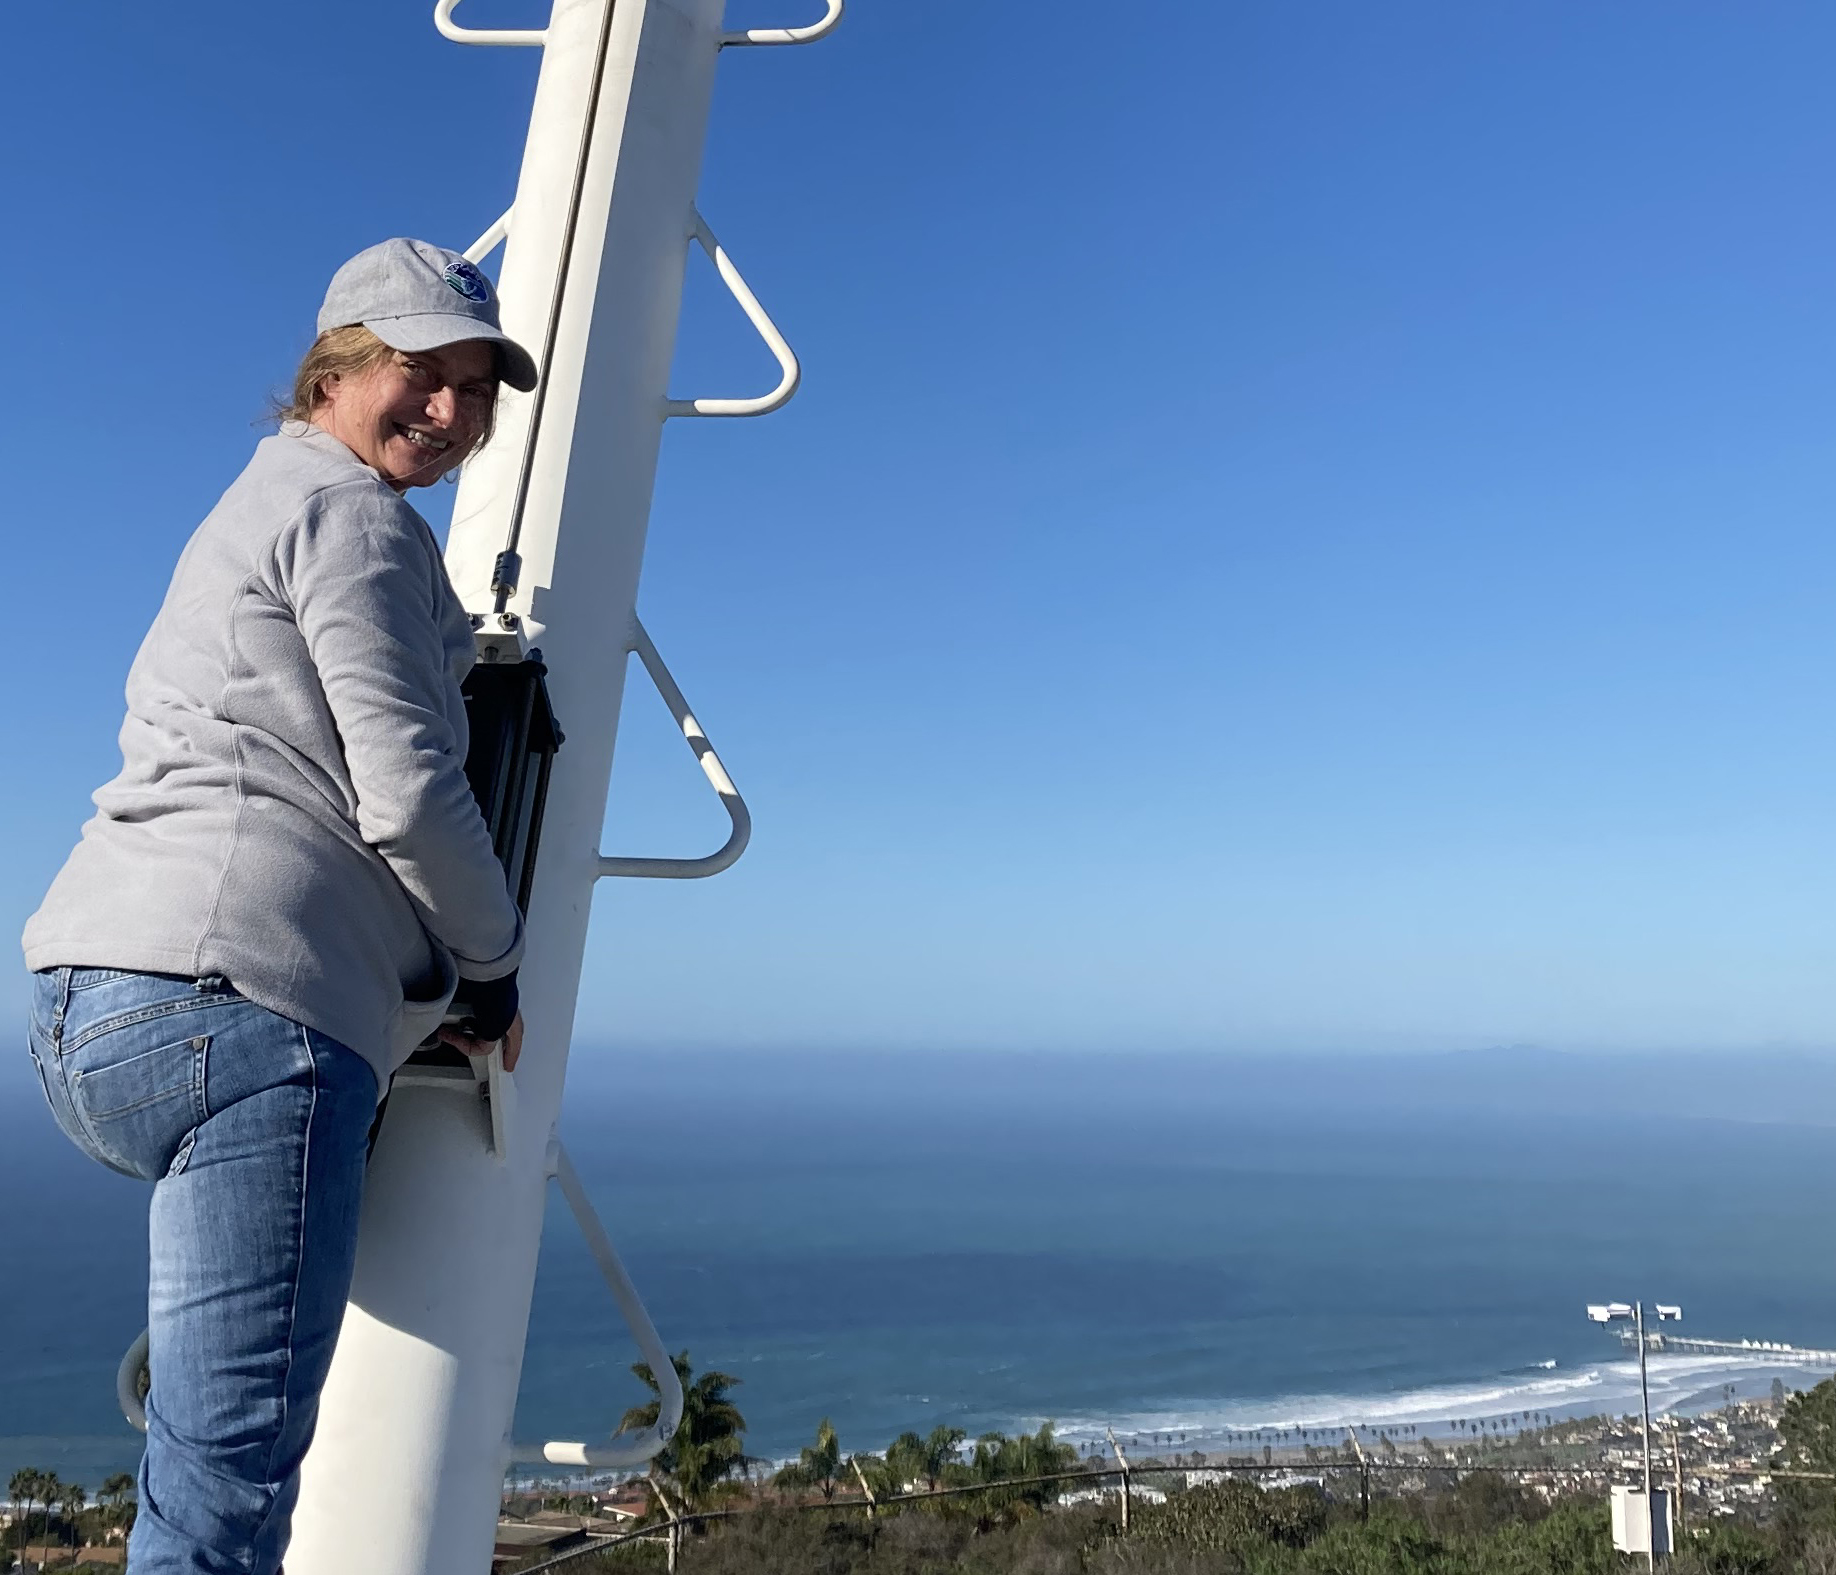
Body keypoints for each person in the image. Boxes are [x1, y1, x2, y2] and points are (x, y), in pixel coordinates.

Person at [21, 237, 541, 1575]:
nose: (454, 413)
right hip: (242, 1014)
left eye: (480, 391)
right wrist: (491, 969)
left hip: (90, 1001)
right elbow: (412, 793)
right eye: (425, 374)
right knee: (225, 1497)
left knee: (197, 1471)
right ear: (339, 367)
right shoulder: (357, 519)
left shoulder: (253, 505)